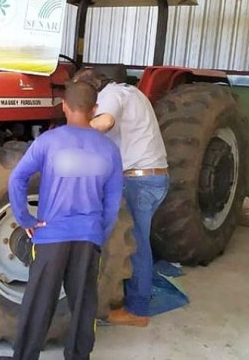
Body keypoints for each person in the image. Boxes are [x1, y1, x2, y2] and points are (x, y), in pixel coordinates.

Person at [0, 81, 123, 360]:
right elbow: (112, 204)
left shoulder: (48, 141)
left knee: (39, 300)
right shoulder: (109, 150)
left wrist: (25, 218)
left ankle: (25, 357)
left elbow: (17, 178)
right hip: (88, 236)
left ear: (64, 106)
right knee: (83, 302)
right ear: (94, 109)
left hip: (50, 236)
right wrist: (98, 235)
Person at [73, 68, 170, 327]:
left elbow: (104, 122)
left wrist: (67, 138)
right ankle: (126, 294)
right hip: (153, 176)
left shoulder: (112, 94)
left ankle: (137, 310)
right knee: (137, 238)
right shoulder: (133, 93)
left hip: (138, 179)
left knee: (136, 243)